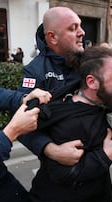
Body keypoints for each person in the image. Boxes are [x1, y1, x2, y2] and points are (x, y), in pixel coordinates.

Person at [25, 46, 112, 202]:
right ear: (91, 82)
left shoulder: (103, 98)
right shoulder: (66, 120)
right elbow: (61, 173)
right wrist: (106, 156)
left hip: (96, 195)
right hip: (55, 197)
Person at [17, 6, 86, 165]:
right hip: (57, 173)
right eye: (73, 28)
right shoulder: (35, 71)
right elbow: (21, 123)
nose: (82, 32)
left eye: (80, 25)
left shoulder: (90, 62)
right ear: (52, 37)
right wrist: (52, 150)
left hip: (97, 169)